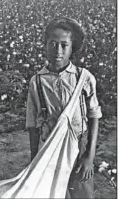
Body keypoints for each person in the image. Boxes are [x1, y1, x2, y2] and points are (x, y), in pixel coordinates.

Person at [26, 17, 102, 198]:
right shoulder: (37, 82)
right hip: (49, 149)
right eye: (52, 44)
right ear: (45, 45)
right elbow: (32, 125)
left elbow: (94, 117)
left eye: (63, 45)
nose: (57, 51)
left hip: (78, 147)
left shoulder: (83, 78)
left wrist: (89, 158)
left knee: (82, 193)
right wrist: (34, 160)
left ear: (72, 47)